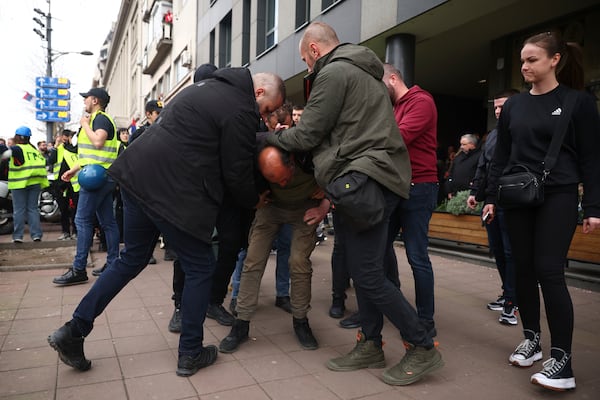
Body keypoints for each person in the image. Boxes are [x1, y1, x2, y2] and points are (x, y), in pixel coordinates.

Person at [47, 68, 285, 378]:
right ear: (259, 93)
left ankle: (73, 330)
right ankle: (190, 353)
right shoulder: (239, 108)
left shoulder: (202, 89)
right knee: (200, 267)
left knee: (130, 259)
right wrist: (254, 199)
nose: (263, 117)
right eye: (266, 110)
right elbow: (236, 172)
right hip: (172, 191)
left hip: (135, 177)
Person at [266, 21, 443, 386]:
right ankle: (371, 343)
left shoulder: (334, 73)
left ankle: (422, 346)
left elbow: (311, 131)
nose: (308, 67)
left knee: (368, 274)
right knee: (369, 268)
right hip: (372, 180)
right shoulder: (366, 73)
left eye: (306, 60)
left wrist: (266, 139)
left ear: (315, 50)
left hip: (364, 180)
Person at [483, 31, 600, 391]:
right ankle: (531, 339)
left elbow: (592, 158)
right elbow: (501, 154)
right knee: (522, 269)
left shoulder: (578, 102)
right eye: (522, 60)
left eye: (532, 59)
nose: (525, 66)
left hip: (558, 195)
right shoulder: (515, 106)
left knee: (549, 271)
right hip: (517, 196)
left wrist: (594, 206)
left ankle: (562, 362)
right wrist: (490, 195)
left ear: (555, 60)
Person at [219, 145, 329, 353]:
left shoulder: (310, 157)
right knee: (252, 260)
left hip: (305, 208)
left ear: (292, 163)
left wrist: (327, 199)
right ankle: (241, 323)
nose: (282, 184)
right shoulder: (257, 162)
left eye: (284, 179)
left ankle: (300, 320)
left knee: (299, 262)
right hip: (270, 208)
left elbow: (340, 170)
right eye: (275, 180)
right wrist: (254, 198)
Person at [381, 63, 440, 338]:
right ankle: (393, 306)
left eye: (381, 86)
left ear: (393, 79)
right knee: (379, 250)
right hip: (397, 186)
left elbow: (398, 138)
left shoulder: (421, 101)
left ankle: (425, 321)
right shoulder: (393, 108)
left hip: (420, 187)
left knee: (417, 257)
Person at [52, 87, 120, 285]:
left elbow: (98, 142)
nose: (84, 102)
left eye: (86, 99)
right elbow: (91, 154)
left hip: (95, 178)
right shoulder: (102, 119)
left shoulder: (99, 119)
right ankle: (113, 262)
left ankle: (79, 268)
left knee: (82, 221)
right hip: (102, 176)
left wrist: (84, 124)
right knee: (108, 221)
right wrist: (74, 169)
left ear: (95, 100)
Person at [467, 89, 519, 325]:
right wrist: (475, 193)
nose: (498, 111)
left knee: (511, 253)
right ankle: (508, 294)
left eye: (503, 106)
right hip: (491, 202)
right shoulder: (493, 136)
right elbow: (484, 166)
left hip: (512, 203)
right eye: (496, 107)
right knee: (498, 250)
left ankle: (513, 301)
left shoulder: (521, 133)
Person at [4, 126, 48, 243]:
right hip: (35, 183)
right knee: (33, 209)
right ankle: (36, 235)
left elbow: (4, 155)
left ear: (17, 137)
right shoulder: (34, 150)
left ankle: (18, 236)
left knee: (19, 210)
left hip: (19, 184)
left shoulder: (16, 149)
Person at [48, 129, 80, 240]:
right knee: (63, 209)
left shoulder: (79, 149)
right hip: (61, 183)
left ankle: (76, 232)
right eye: (65, 136)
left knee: (76, 210)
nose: (66, 139)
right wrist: (55, 147)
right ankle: (66, 232)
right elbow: (50, 161)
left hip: (75, 183)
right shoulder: (59, 149)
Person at [445, 133, 481, 199]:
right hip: (455, 195)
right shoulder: (458, 157)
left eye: (464, 144)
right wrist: (449, 190)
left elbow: (481, 175)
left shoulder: (480, 156)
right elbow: (451, 174)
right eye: (461, 144)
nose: (461, 147)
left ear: (472, 144)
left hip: (471, 195)